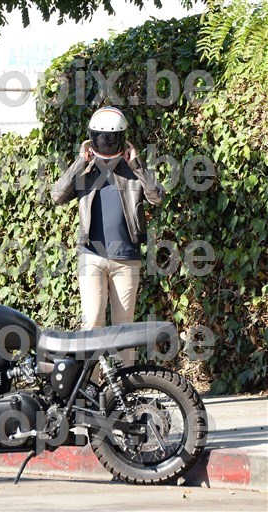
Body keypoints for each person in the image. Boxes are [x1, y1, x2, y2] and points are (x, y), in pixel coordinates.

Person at [51, 106, 164, 366]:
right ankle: (89, 384)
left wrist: (137, 165)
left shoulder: (132, 169)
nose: (106, 143)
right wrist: (81, 161)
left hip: (126, 258)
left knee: (125, 329)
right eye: (102, 138)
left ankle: (126, 386)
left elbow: (157, 198)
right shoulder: (86, 170)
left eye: (111, 138)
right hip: (91, 257)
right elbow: (57, 196)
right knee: (92, 324)